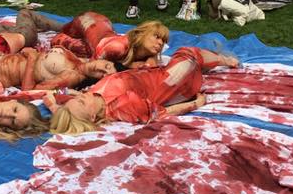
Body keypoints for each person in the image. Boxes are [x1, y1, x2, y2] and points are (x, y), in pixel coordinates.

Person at [48, 47, 239, 134]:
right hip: (171, 84)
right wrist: (196, 104)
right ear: (91, 117)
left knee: (184, 60)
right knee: (187, 56)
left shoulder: (91, 98)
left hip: (149, 74)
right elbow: (160, 113)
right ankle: (222, 60)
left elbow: (61, 95)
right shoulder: (121, 106)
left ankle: (205, 64)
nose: (82, 96)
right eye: (82, 101)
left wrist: (54, 104)